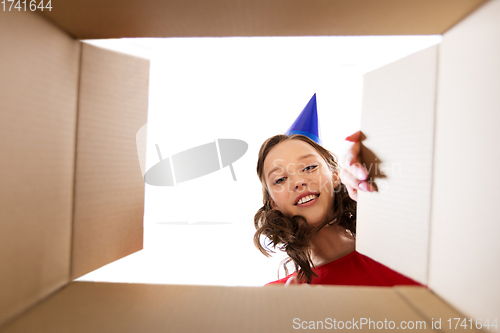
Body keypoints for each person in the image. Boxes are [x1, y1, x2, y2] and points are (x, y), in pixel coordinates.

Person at [253, 132, 421, 286]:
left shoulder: (403, 246)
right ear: (273, 203)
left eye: (309, 167)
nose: (299, 182)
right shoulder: (278, 296)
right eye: (280, 179)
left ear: (335, 176)